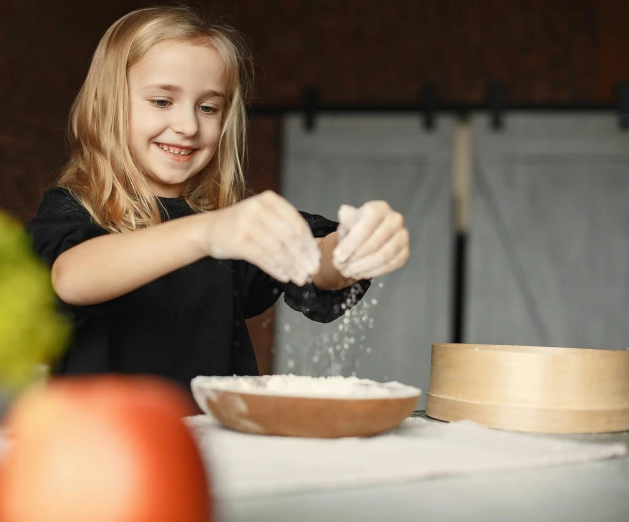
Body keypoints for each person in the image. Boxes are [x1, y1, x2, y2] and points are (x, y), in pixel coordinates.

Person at [26, 6, 410, 391]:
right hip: (105, 445)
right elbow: (71, 278)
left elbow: (315, 261)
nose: (188, 126)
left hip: (217, 446)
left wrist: (353, 246)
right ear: (106, 105)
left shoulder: (231, 226)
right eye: (162, 101)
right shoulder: (72, 209)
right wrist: (208, 232)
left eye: (208, 107)